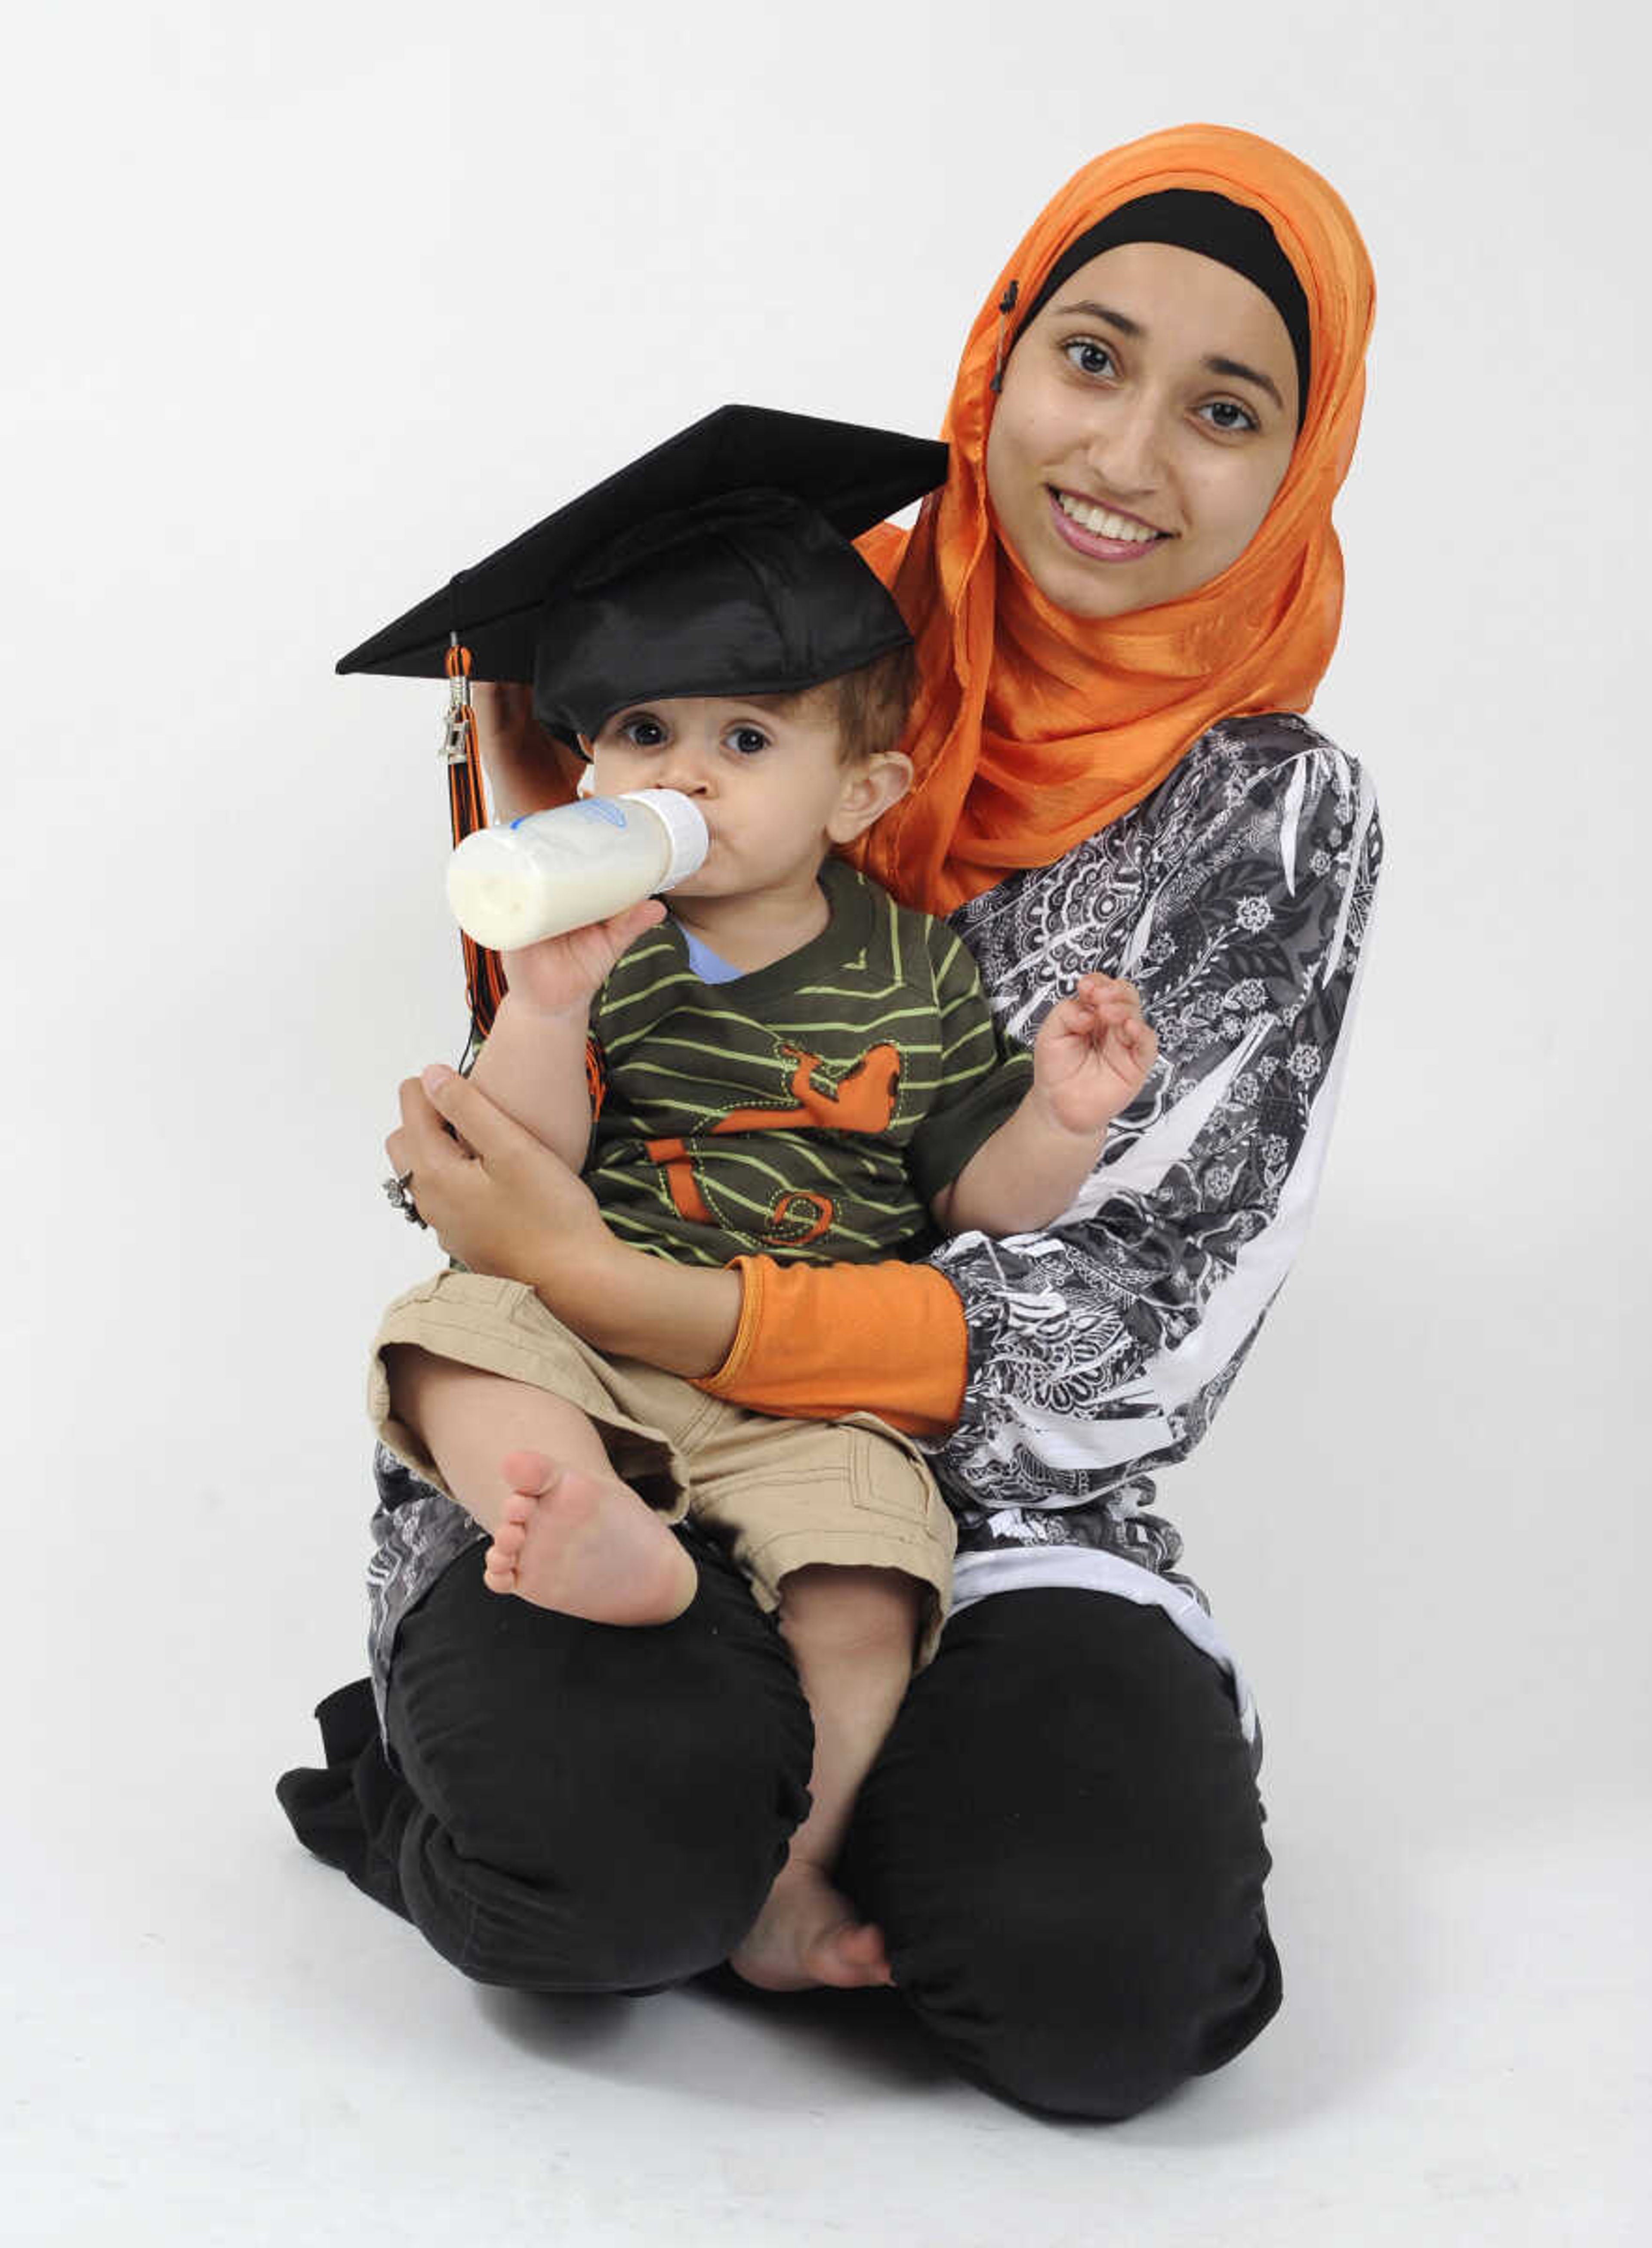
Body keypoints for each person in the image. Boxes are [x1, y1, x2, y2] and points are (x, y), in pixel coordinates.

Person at [280, 122, 1380, 2121]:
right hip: (599, 1429)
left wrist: (652, 1290)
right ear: (999, 361)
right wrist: (535, 846)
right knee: (584, 1871)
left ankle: (812, 1830)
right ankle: (557, 1777)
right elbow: (489, 1191)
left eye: (1228, 409)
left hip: (975, 1494)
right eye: (1094, 357)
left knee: (1108, 1990)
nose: (1131, 455)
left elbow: (1131, 1341)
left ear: (1302, 456)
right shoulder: (751, 644)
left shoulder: (1274, 813)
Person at [357, 426, 1159, 1991]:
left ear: (862, 788)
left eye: (744, 741)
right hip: (595, 1341)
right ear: (586, 772)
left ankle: (788, 1883)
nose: (683, 777)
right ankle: (585, 1518)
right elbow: (511, 1181)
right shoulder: (603, 948)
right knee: (454, 1332)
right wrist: (540, 1012)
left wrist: (1063, 1123)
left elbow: (980, 1190)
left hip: (807, 1382)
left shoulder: (921, 970)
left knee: (870, 1589)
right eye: (644, 732)